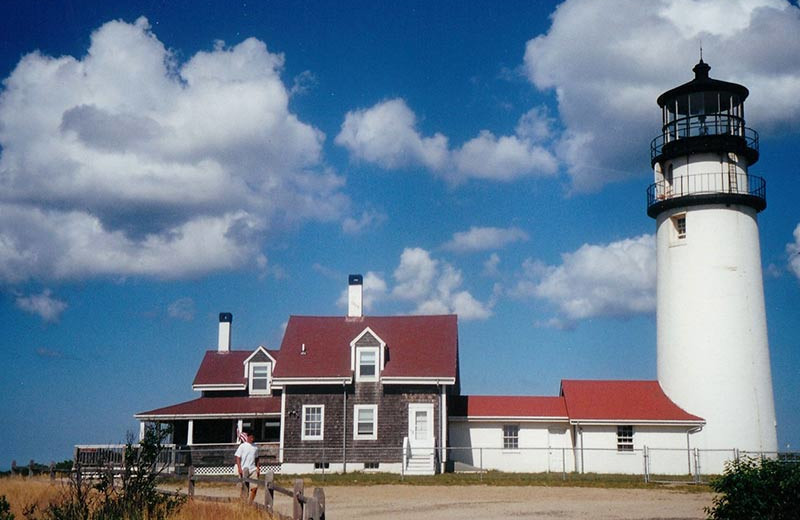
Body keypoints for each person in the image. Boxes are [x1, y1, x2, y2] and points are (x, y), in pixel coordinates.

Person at [234, 431, 259, 503]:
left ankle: (250, 502)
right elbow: (238, 457)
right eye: (251, 437)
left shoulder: (255, 447)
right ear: (248, 437)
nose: (252, 439)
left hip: (253, 469)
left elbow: (257, 458)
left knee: (255, 487)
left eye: (253, 437)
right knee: (244, 487)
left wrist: (258, 468)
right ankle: (243, 502)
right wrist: (239, 468)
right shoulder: (242, 446)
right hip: (244, 469)